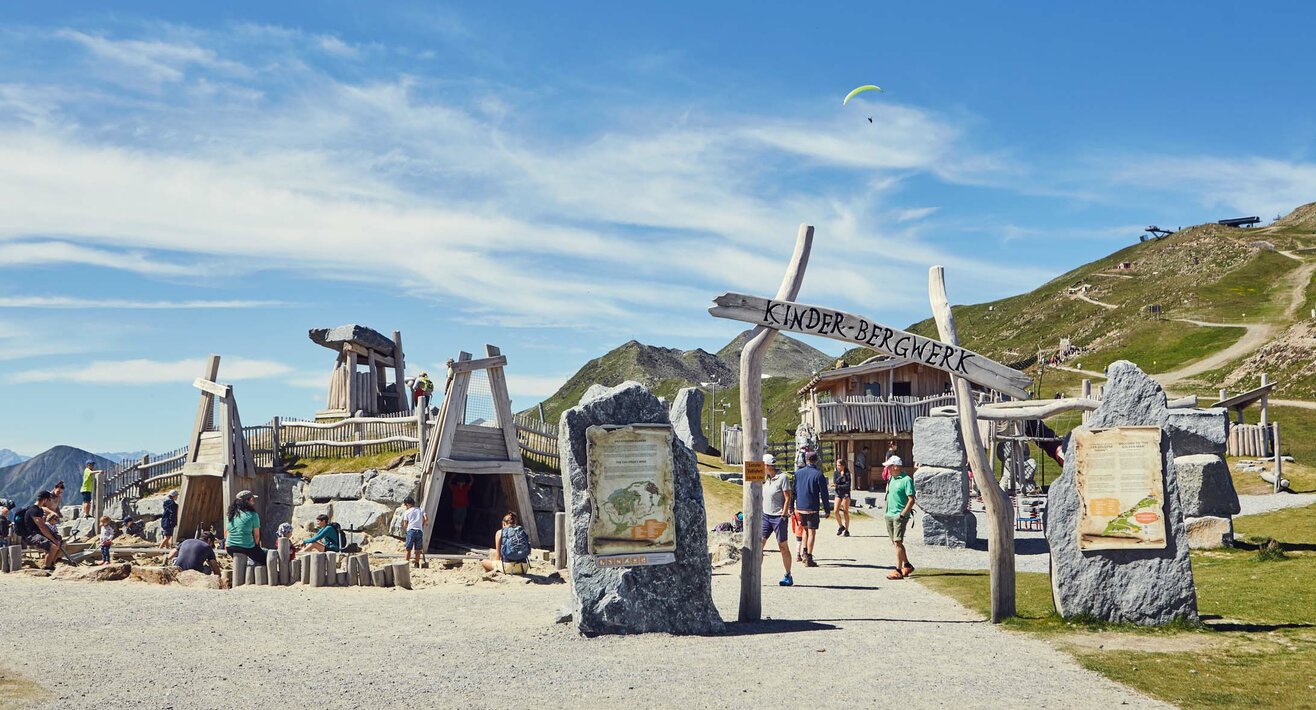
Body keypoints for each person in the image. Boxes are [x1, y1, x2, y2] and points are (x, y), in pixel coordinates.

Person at [792, 451, 831, 568]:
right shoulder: (819, 475)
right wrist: (827, 508)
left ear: (806, 460)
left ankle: (804, 552)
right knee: (812, 531)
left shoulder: (798, 473)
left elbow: (794, 491)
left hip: (800, 506)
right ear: (816, 460)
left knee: (805, 530)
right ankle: (809, 556)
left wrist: (790, 506)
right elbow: (824, 494)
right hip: (812, 507)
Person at [759, 454, 793, 587]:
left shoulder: (782, 477)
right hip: (765, 516)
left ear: (767, 466)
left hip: (778, 516)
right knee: (759, 545)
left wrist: (783, 515)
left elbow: (787, 497)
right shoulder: (766, 479)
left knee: (782, 546)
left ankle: (788, 574)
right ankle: (756, 574)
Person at [884, 461, 917, 580]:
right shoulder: (891, 479)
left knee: (898, 542)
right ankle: (907, 565)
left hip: (899, 516)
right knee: (895, 542)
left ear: (896, 466)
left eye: (889, 466)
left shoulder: (907, 480)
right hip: (889, 514)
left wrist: (902, 514)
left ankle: (898, 570)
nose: (887, 468)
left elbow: (911, 499)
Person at [22, 491, 63, 570]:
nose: (49, 502)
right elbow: (42, 527)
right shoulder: (34, 511)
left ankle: (51, 563)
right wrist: (53, 539)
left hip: (38, 534)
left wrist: (55, 536)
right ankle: (47, 567)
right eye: (49, 500)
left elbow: (43, 525)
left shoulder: (39, 510)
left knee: (60, 543)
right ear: (44, 500)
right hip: (32, 536)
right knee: (53, 546)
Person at [224, 490, 265, 566]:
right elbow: (257, 536)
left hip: (230, 547)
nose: (253, 501)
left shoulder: (230, 514)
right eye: (252, 499)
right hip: (246, 547)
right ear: (249, 500)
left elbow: (226, 532)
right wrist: (255, 547)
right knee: (264, 560)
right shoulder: (253, 515)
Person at [399, 497, 427, 568]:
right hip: (419, 531)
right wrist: (422, 525)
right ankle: (417, 564)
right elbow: (426, 518)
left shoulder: (407, 512)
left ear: (408, 504)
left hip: (411, 530)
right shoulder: (420, 509)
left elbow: (405, 524)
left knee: (408, 549)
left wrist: (407, 529)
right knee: (418, 549)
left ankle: (406, 563)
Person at [448, 474, 472, 539]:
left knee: (461, 520)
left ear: (464, 483)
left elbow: (471, 482)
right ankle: (457, 533)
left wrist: (470, 475)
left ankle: (459, 534)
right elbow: (449, 483)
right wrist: (452, 477)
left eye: (462, 482)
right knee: (456, 520)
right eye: (460, 482)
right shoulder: (454, 488)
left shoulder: (465, 488)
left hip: (463, 507)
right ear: (458, 482)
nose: (461, 483)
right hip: (456, 506)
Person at [833, 459, 853, 537]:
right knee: (835, 511)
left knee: (845, 512)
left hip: (845, 494)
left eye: (839, 465)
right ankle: (841, 526)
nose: (837, 467)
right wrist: (841, 477)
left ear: (843, 465)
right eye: (837, 465)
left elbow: (847, 485)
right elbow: (835, 481)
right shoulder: (835, 473)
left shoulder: (847, 473)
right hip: (838, 493)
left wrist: (838, 485)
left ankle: (847, 530)